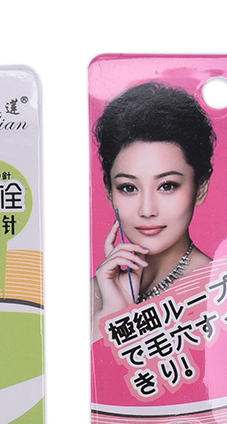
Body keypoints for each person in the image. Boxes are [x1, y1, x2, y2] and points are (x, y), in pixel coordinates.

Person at [91, 83, 216, 328]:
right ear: (109, 191)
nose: (147, 210)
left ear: (200, 188)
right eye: (128, 187)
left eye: (167, 186)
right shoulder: (94, 293)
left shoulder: (218, 290)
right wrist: (112, 313)